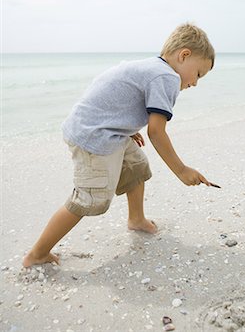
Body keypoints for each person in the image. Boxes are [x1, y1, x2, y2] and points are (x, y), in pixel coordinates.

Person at [23, 22, 216, 268]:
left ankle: (136, 219)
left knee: (136, 165)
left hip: (105, 128)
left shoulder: (152, 67)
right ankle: (37, 254)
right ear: (184, 55)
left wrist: (127, 127)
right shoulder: (167, 76)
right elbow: (156, 132)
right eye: (198, 74)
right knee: (91, 198)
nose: (196, 83)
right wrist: (181, 170)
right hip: (95, 136)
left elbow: (116, 94)